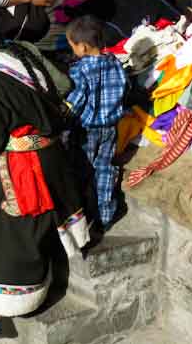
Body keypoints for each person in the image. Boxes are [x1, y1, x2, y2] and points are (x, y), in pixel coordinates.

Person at [0, 18, 89, 338]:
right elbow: (61, 87)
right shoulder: (21, 51)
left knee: (5, 234)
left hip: (23, 165)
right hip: (51, 154)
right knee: (35, 224)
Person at [64, 16, 128, 232]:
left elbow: (76, 100)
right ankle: (106, 213)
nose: (72, 50)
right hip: (110, 127)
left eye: (72, 46)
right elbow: (123, 88)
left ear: (82, 47)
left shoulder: (80, 70)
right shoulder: (115, 63)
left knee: (81, 169)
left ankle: (81, 214)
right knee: (104, 168)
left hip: (87, 130)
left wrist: (62, 114)